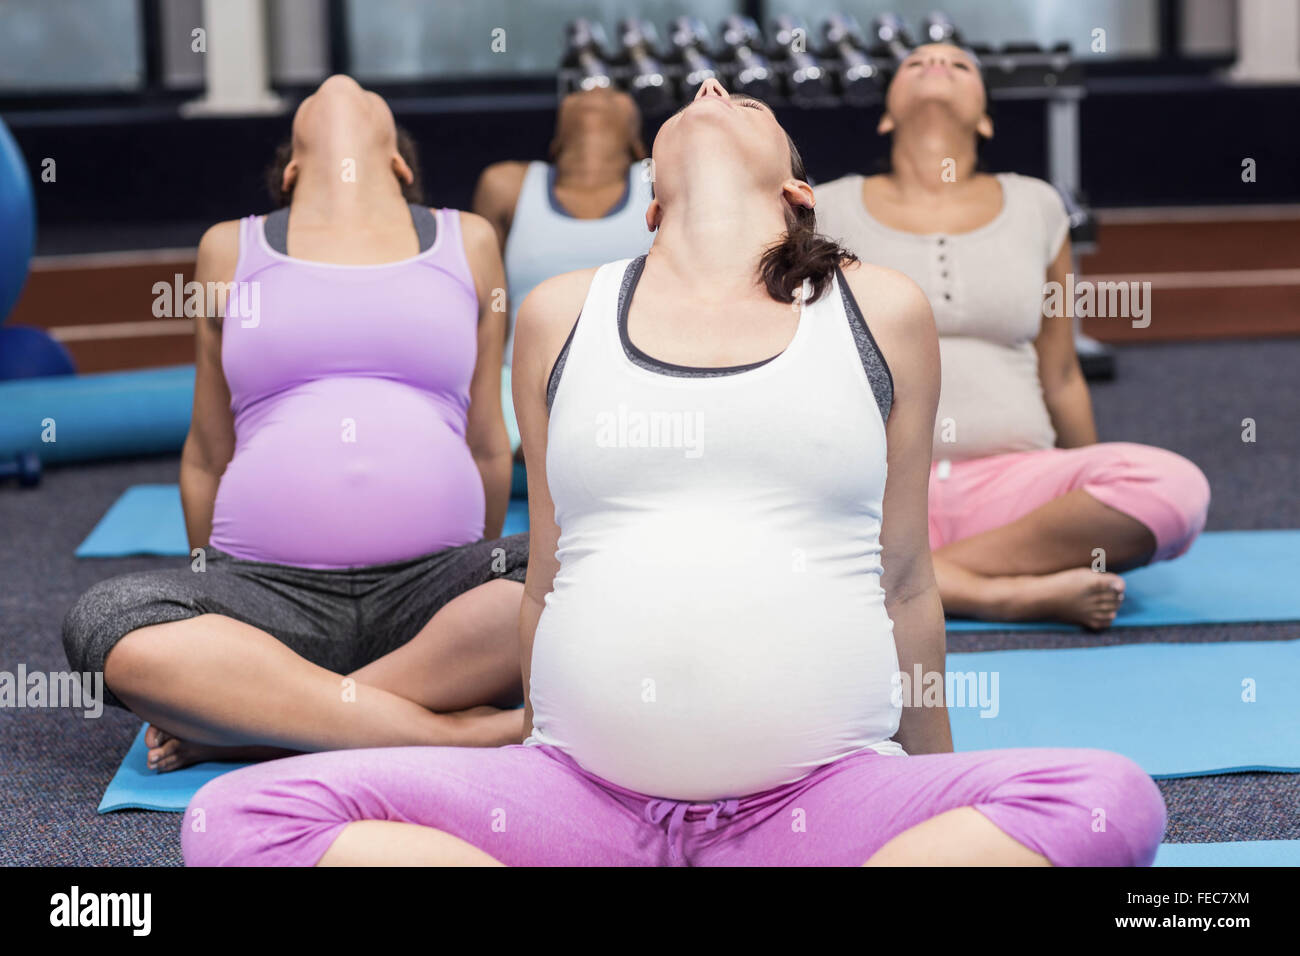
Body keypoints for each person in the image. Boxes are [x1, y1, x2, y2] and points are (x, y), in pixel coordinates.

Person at [182, 79, 1165, 867]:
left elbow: (904, 577)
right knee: (236, 820)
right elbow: (548, 575)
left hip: (821, 800)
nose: (705, 84)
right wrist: (535, 742)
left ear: (795, 192)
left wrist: (928, 791)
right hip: (579, 800)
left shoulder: (879, 310)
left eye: (742, 102)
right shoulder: (560, 313)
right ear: (651, 200)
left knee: (1110, 798)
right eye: (697, 98)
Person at [62, 75, 527, 772]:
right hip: (268, 600)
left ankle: (266, 727)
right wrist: (216, 599)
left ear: (400, 167)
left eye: (369, 99)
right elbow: (206, 452)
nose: (341, 84)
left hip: (433, 602)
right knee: (105, 621)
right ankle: (445, 729)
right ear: (292, 170)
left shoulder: (471, 241)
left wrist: (476, 585)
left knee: (576, 571)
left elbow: (490, 444)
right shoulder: (228, 248)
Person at [815, 43, 1211, 629]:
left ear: (985, 119)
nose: (936, 65)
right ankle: (1000, 594)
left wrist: (1085, 501)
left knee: (1177, 489)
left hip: (1011, 494)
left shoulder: (1037, 203)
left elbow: (1062, 370)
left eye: (959, 64)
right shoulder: (823, 207)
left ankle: (922, 581)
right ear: (886, 115)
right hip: (878, 490)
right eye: (915, 62)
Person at [472, 85, 655, 452]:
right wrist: (487, 413)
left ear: (638, 148)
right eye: (577, 92)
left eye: (618, 94)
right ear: (555, 145)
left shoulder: (658, 184)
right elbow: (483, 306)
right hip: (520, 393)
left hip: (634, 390)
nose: (598, 88)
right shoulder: (506, 185)